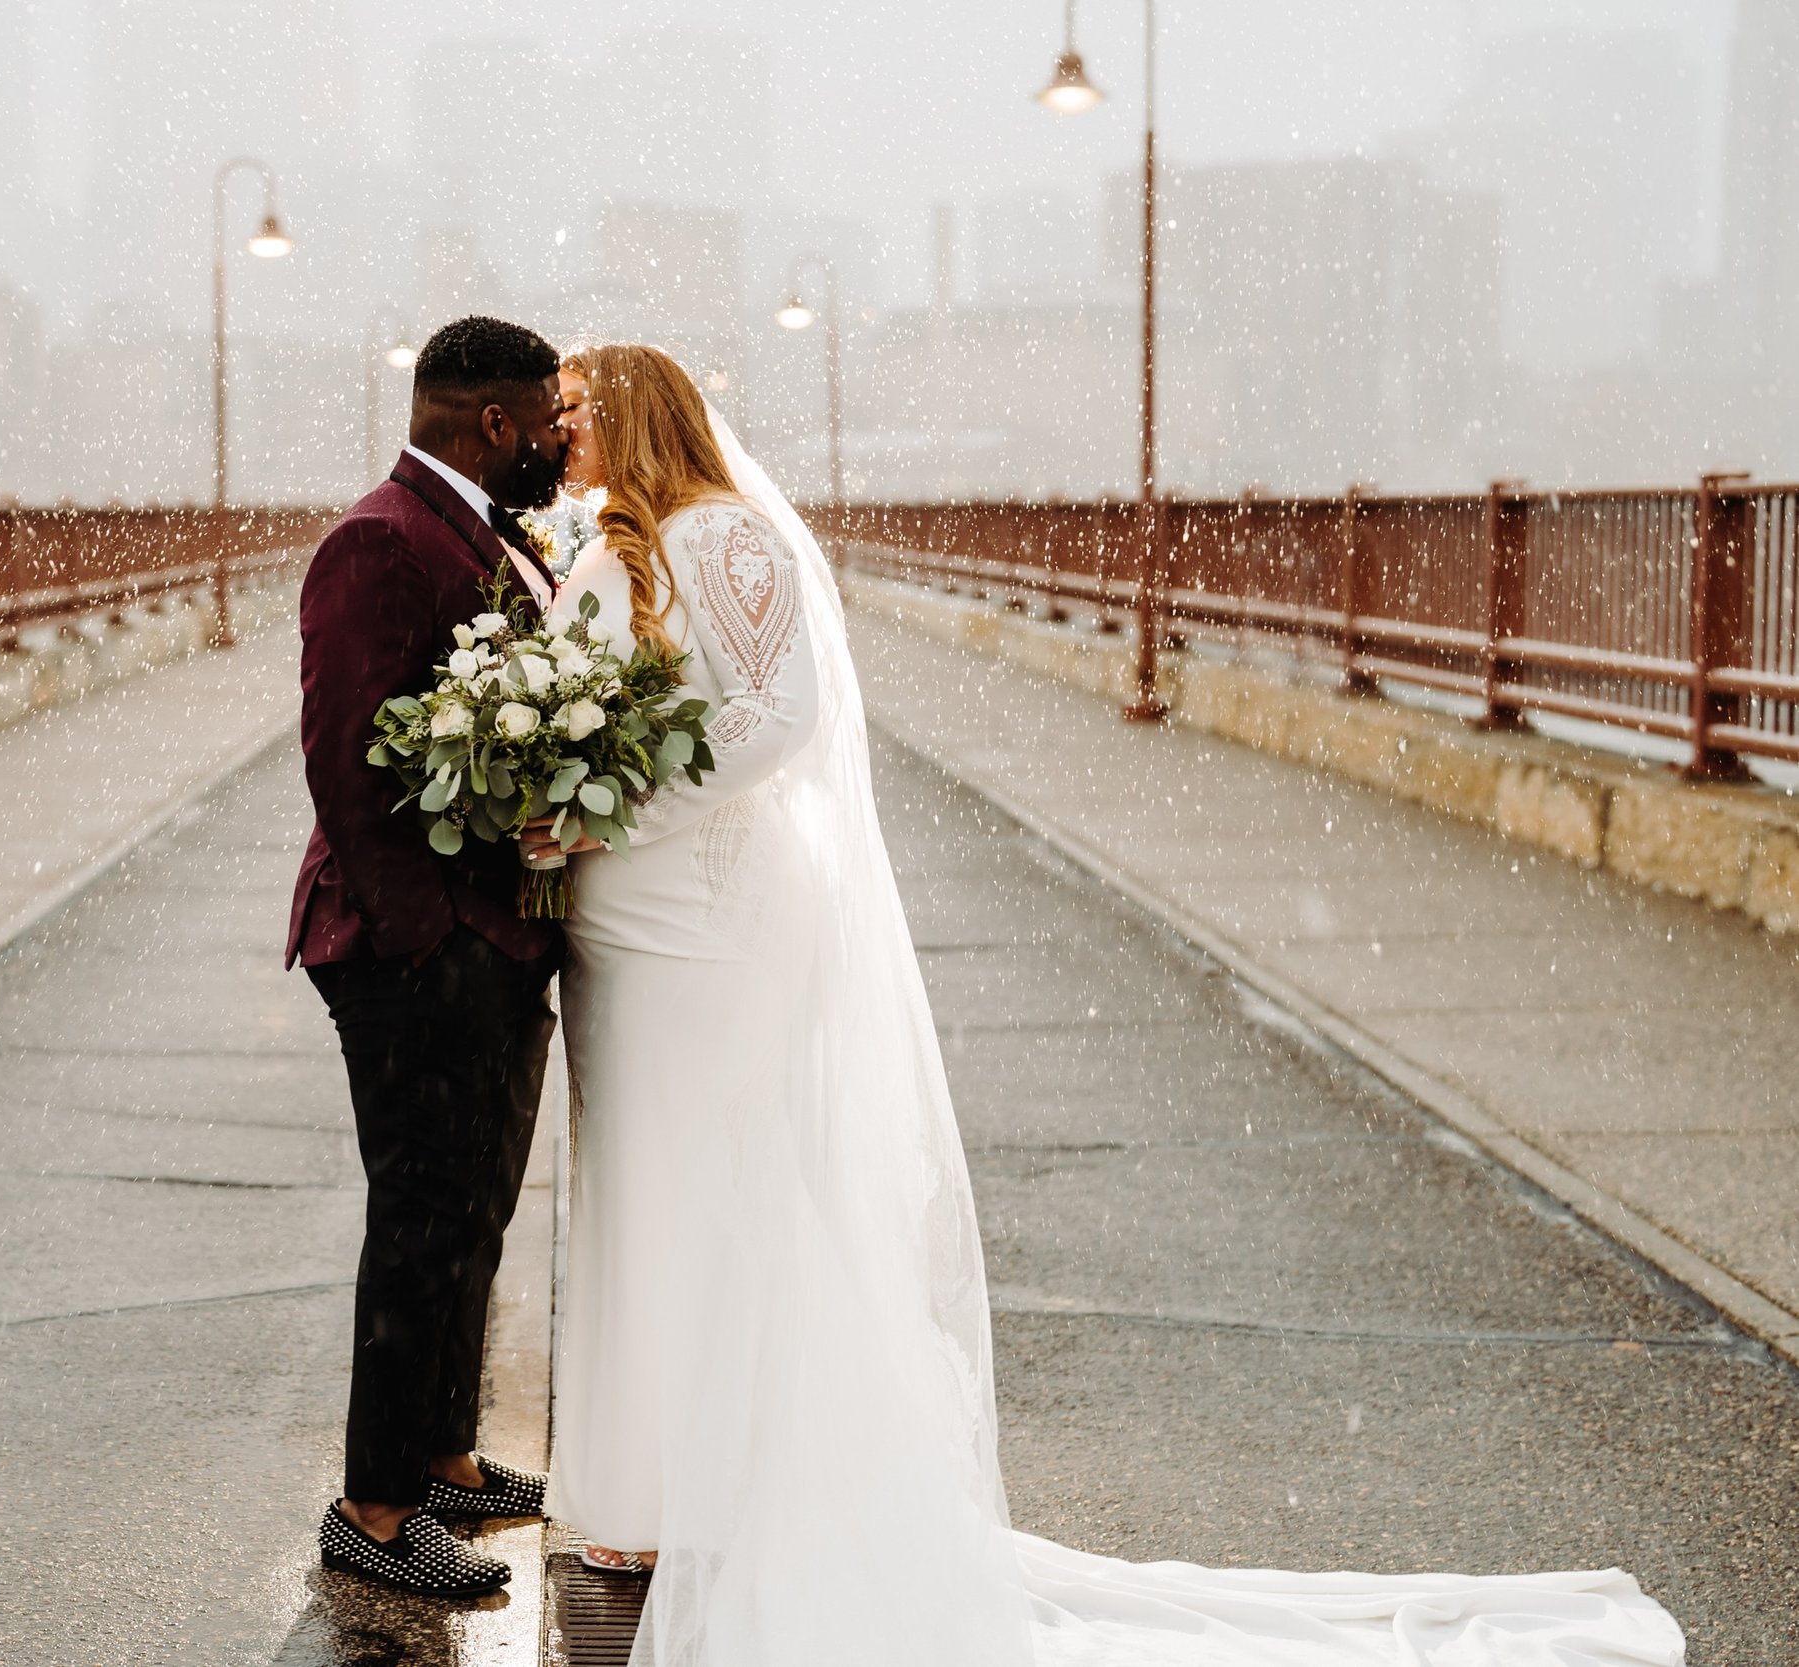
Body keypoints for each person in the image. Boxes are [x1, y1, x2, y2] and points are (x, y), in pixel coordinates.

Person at [528, 342, 1687, 1666]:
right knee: (641, 1183)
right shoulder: (603, 541)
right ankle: (647, 1486)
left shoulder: (729, 538)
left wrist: (621, 801)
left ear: (630, 410)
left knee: (728, 1184)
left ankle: (730, 1482)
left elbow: (777, 718)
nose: (556, 434)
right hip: (629, 921)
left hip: (714, 913)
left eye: (570, 411)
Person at [288, 316, 571, 1599]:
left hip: (492, 935)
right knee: (419, 1218)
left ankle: (447, 1456)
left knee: (475, 1206)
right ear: (493, 423)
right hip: (410, 945)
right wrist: (431, 938)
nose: (564, 439)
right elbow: (344, 764)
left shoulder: (488, 531)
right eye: (550, 419)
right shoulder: (377, 538)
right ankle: (376, 1506)